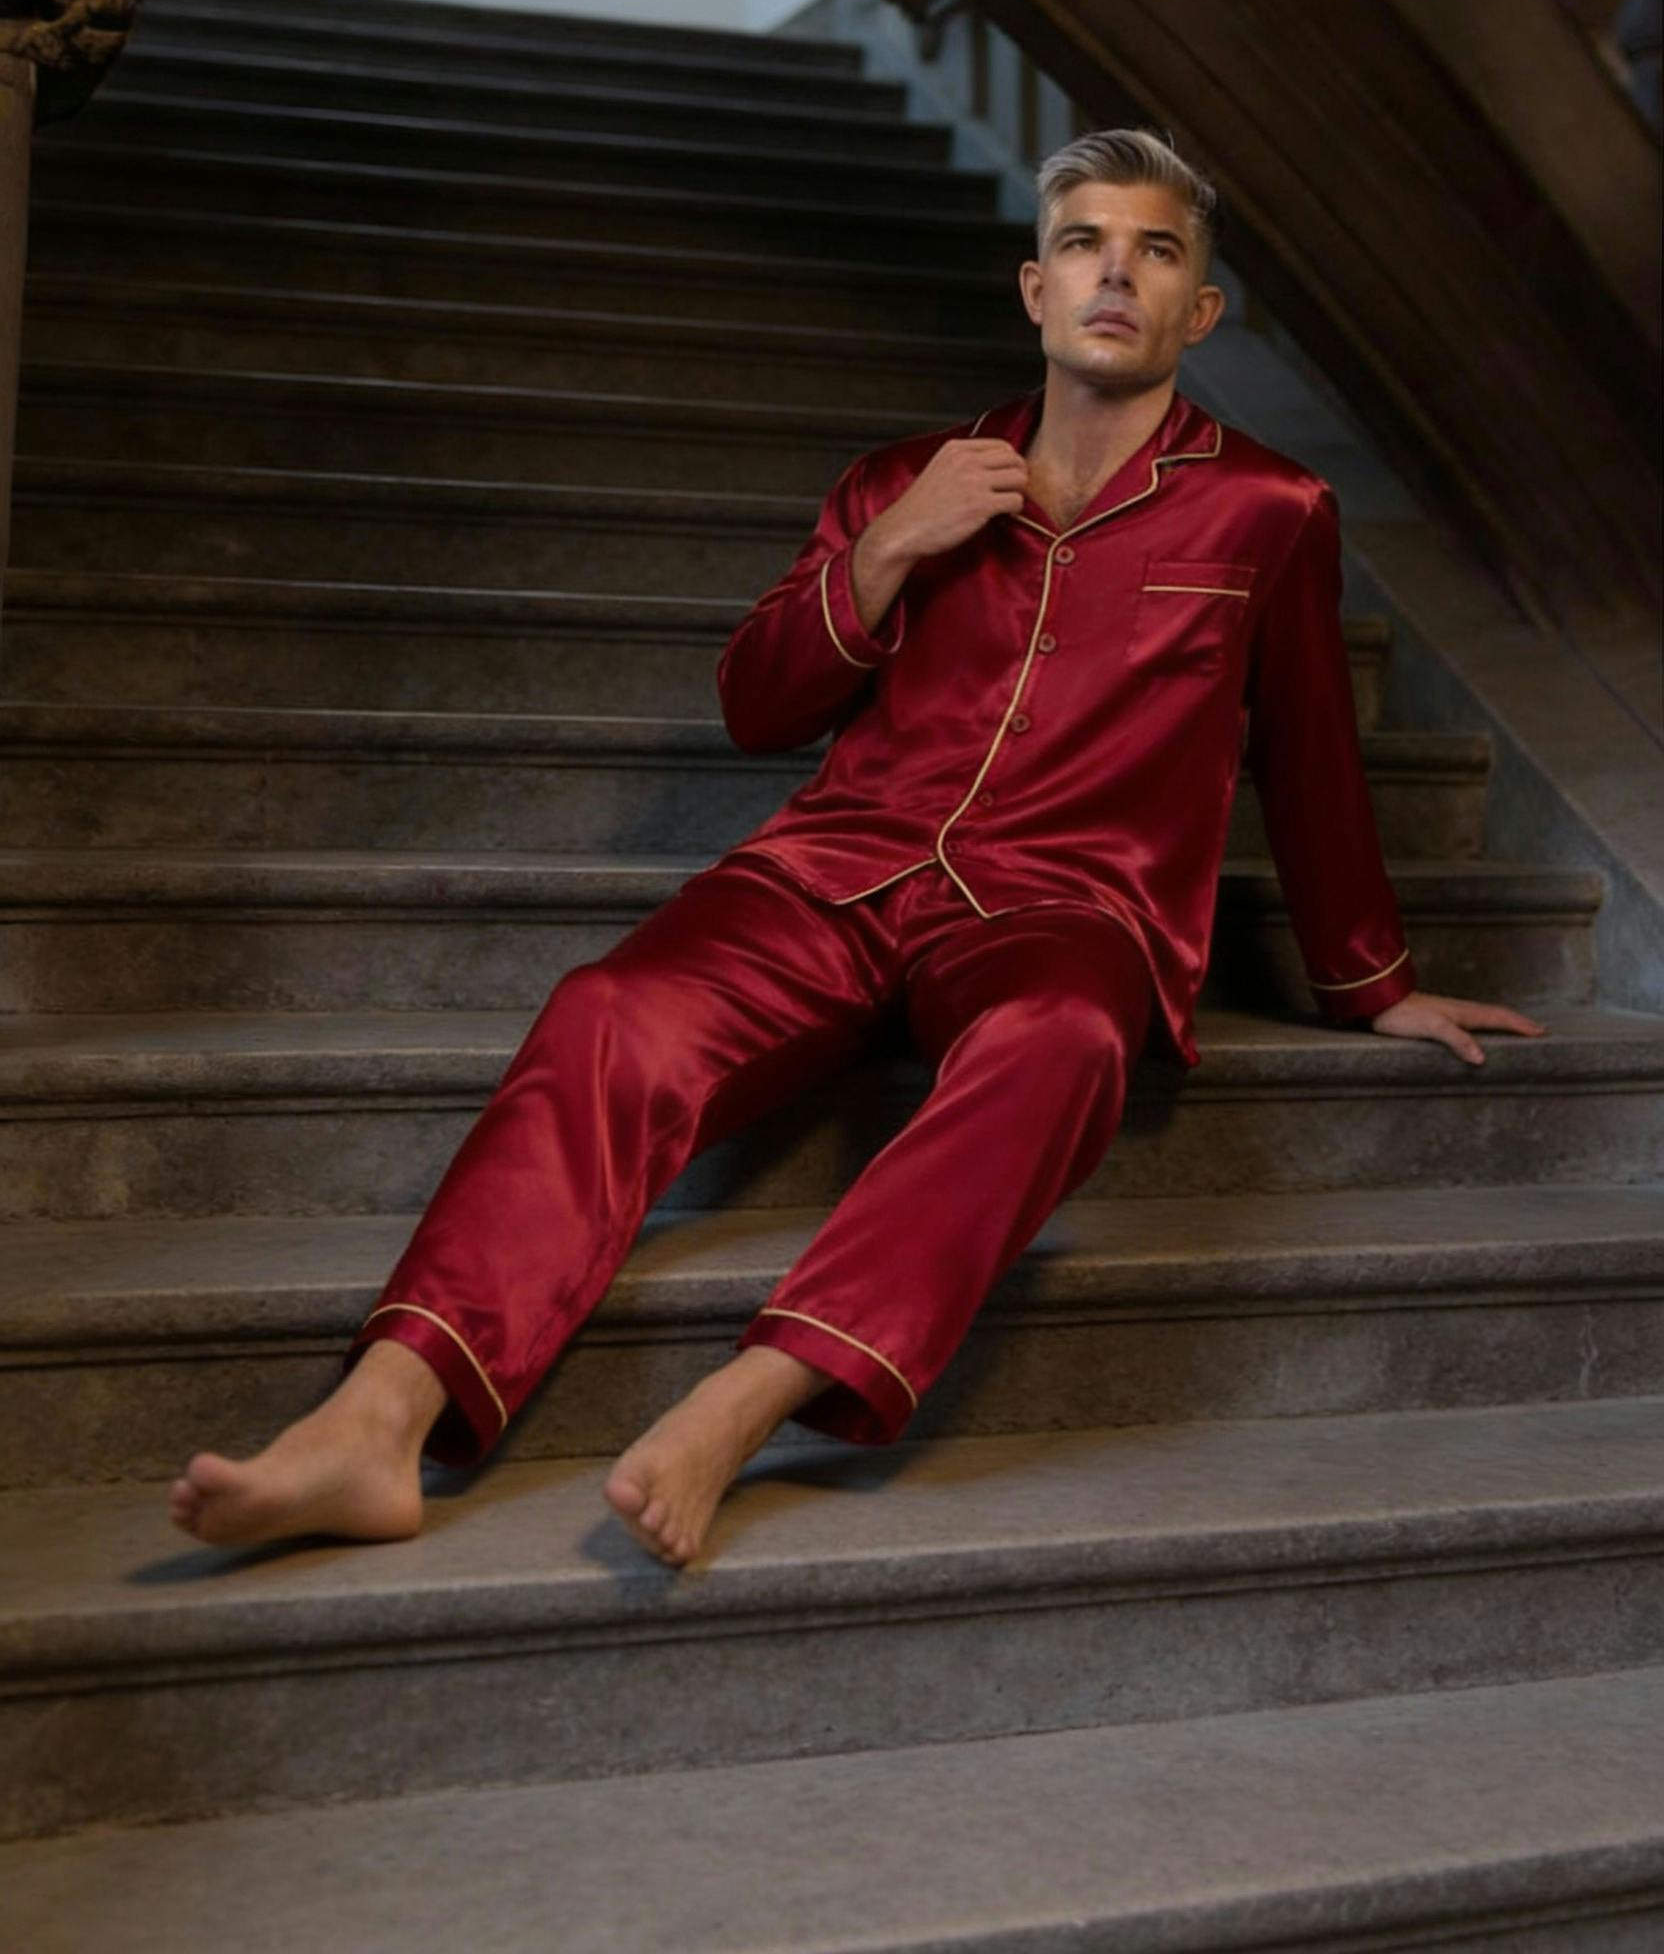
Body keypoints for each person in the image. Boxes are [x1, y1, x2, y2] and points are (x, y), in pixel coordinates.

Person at [169, 129, 1547, 1569]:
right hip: (833, 873)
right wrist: (889, 548)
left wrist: (1372, 981)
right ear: (1035, 287)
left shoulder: (1272, 510)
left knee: (1067, 1040)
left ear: (1198, 311)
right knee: (608, 1010)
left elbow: (1313, 751)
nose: (1115, 275)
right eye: (1083, 243)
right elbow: (756, 705)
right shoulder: (902, 478)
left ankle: (742, 1403)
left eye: (1155, 252)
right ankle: (376, 1424)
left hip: (1066, 905)